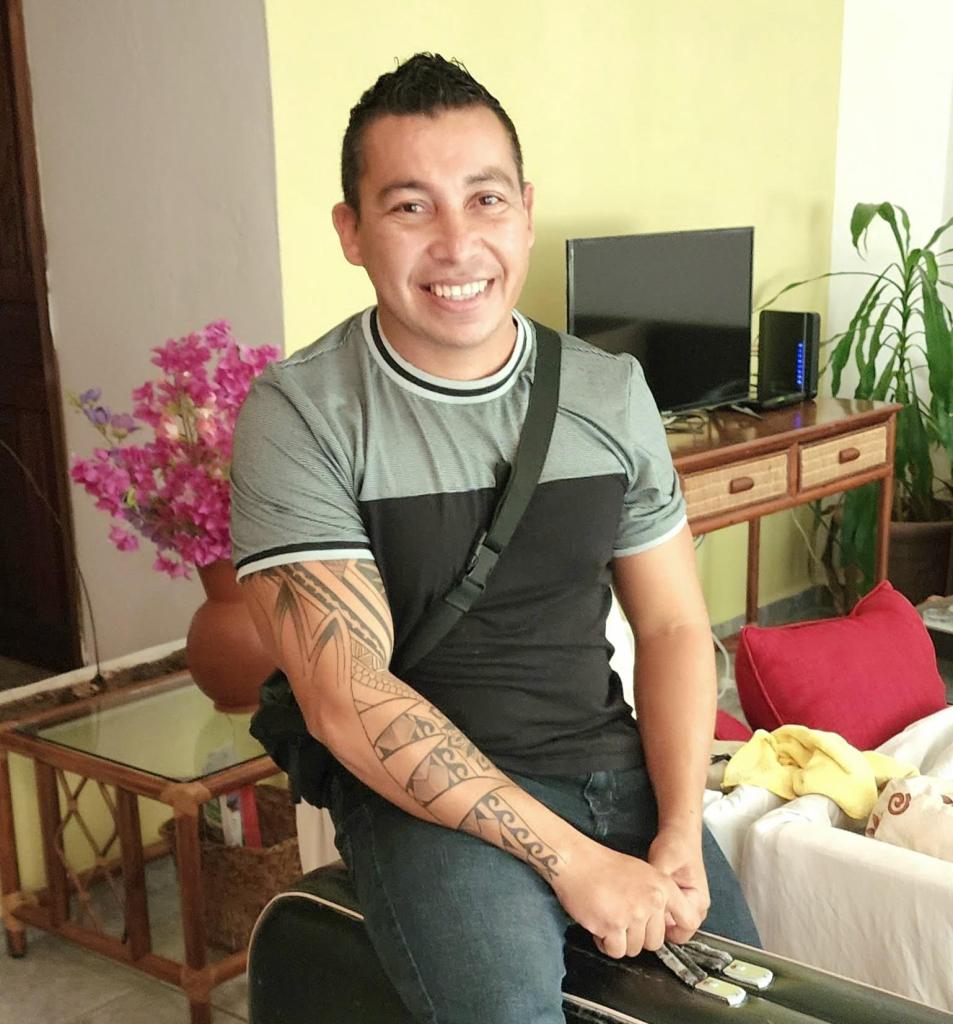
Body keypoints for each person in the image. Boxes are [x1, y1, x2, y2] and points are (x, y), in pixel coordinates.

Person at [231, 52, 759, 1024]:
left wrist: (682, 828)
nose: (457, 242)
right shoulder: (302, 413)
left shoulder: (608, 392)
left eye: (484, 199)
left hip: (613, 767)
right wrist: (575, 863)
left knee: (753, 1006)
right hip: (425, 805)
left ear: (524, 210)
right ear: (350, 231)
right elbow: (347, 697)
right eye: (409, 206)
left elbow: (676, 628)